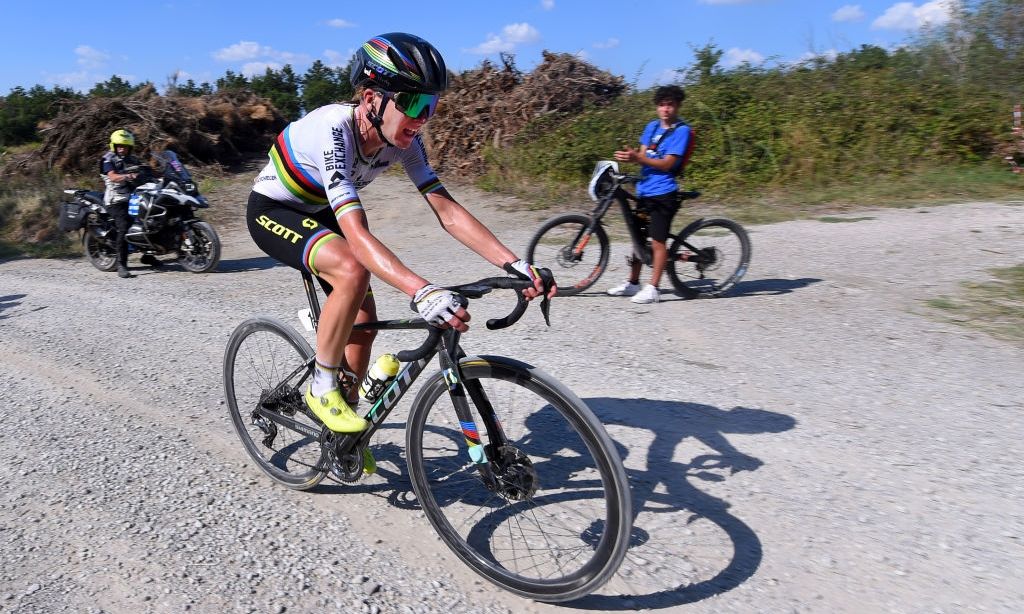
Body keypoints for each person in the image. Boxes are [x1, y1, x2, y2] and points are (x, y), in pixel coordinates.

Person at [246, 33, 555, 445]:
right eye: (412, 104)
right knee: (352, 270)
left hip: (320, 209)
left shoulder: (405, 142)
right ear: (372, 100)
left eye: (431, 106)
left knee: (364, 323)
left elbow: (447, 210)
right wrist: (423, 292)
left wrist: (514, 264)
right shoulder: (333, 129)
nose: (422, 117)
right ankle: (321, 385)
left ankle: (343, 437)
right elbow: (355, 234)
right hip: (274, 210)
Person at [608, 85, 694, 304]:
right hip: (645, 190)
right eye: (662, 104)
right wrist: (631, 158)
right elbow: (643, 154)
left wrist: (638, 159)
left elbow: (667, 164)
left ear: (677, 106)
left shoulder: (681, 131)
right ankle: (633, 283)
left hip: (664, 193)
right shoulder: (652, 127)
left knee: (657, 241)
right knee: (638, 239)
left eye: (670, 104)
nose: (665, 109)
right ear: (657, 106)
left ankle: (653, 288)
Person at [100, 129, 161, 277]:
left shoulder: (132, 159)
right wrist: (127, 176)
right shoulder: (108, 159)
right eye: (119, 145)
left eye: (125, 146)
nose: (122, 148)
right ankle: (121, 264)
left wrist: (161, 174)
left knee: (150, 220)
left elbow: (145, 170)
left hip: (134, 197)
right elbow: (113, 176)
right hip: (116, 200)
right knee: (124, 226)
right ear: (114, 145)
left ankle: (147, 256)